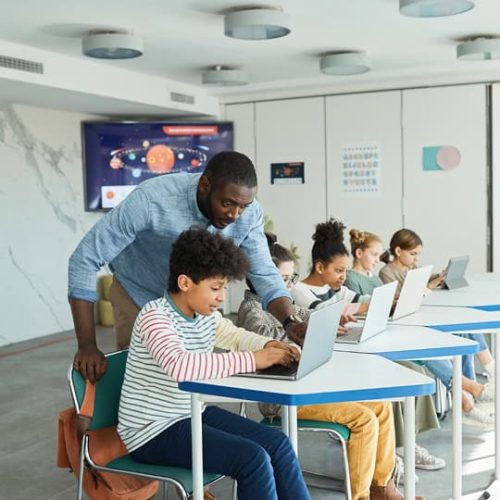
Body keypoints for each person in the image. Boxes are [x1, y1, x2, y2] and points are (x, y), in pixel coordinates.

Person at [68, 151, 307, 384]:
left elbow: (263, 271)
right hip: (138, 295)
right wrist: (87, 345)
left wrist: (290, 322)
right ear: (204, 185)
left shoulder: (248, 211)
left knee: (197, 379)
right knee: (148, 380)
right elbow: (85, 258)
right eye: (227, 203)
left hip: (195, 303)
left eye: (243, 206)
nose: (235, 214)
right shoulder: (151, 200)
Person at [117, 228, 310, 500]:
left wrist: (267, 346)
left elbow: (233, 334)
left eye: (224, 288)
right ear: (185, 283)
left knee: (277, 443)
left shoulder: (204, 315)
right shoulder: (155, 317)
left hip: (190, 412)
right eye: (215, 288)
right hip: (152, 431)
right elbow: (181, 367)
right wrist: (255, 359)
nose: (221, 297)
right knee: (251, 459)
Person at [238, 233, 419, 500]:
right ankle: (360, 496)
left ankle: (382, 487)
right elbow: (271, 343)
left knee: (381, 405)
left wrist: (329, 318)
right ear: (259, 278)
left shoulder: (285, 304)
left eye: (291, 279)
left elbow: (307, 314)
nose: (288, 286)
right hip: (281, 398)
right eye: (283, 280)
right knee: (364, 419)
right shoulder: (251, 312)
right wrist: (304, 332)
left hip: (306, 382)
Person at [346, 228, 445, 473]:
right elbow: (364, 307)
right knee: (408, 370)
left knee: (416, 371)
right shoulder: (352, 279)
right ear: (359, 253)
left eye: (381, 254)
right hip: (365, 342)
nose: (380, 259)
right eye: (375, 254)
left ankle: (408, 442)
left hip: (381, 333)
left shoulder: (374, 277)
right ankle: (401, 447)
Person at [379, 228, 495, 427]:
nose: (416, 259)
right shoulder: (387, 273)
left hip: (420, 320)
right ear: (398, 251)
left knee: (464, 329)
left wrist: (438, 278)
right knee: (451, 339)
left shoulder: (412, 270)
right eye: (413, 254)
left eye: (418, 254)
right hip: (408, 327)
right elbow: (400, 302)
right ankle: (473, 391)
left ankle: (480, 382)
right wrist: (428, 287)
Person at [290, 218, 370, 315]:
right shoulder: (298, 290)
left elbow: (363, 299)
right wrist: (370, 305)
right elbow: (324, 311)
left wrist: (385, 300)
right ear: (320, 267)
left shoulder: (336, 289)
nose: (344, 277)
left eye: (345, 271)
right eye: (339, 270)